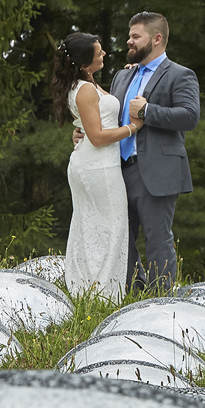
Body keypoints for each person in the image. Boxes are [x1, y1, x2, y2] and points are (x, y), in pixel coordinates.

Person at [74, 12, 199, 291]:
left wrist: (147, 111)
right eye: (129, 35)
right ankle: (133, 296)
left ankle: (161, 302)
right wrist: (85, 130)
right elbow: (111, 117)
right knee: (120, 239)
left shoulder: (180, 74)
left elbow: (190, 116)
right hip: (117, 169)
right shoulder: (122, 75)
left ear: (156, 39)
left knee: (157, 239)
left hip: (156, 170)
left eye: (135, 36)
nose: (128, 41)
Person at [52, 32, 142, 300]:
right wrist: (132, 128)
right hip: (99, 167)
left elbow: (90, 124)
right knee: (111, 230)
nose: (104, 55)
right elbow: (98, 137)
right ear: (83, 63)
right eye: (98, 53)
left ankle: (87, 290)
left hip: (90, 164)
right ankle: (103, 294)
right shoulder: (87, 89)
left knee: (91, 227)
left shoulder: (86, 83)